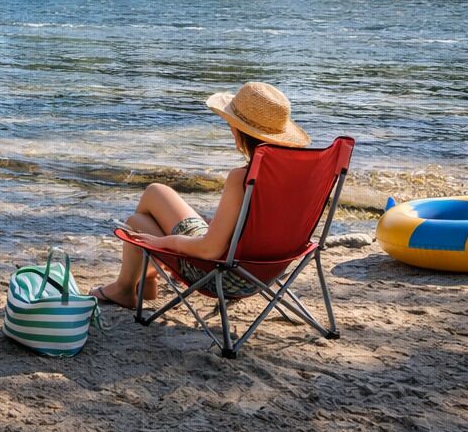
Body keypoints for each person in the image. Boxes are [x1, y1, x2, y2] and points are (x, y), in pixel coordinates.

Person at [91, 81, 311, 309]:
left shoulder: (243, 178)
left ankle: (129, 286)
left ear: (238, 130)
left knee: (152, 196)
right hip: (266, 274)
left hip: (222, 275)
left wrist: (164, 242)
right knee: (138, 221)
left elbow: (210, 249)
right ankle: (139, 281)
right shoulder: (301, 176)